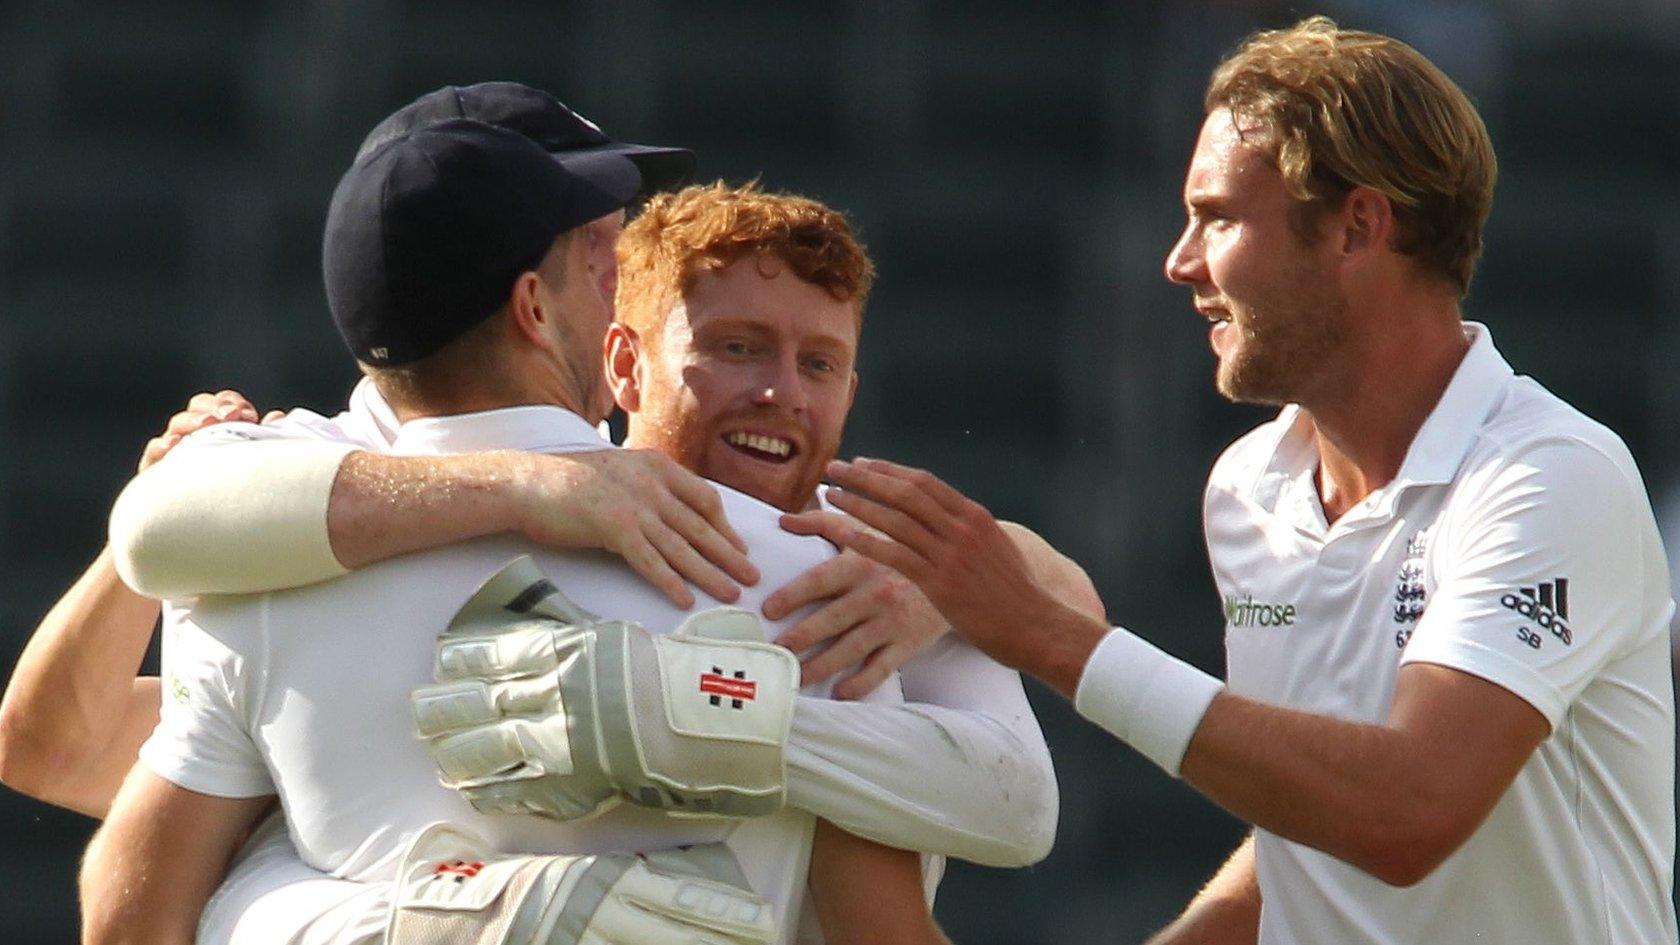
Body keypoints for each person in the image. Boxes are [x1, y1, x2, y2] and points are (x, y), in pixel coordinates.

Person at [782, 16, 1678, 945]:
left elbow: (1405, 812)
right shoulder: (1247, 487)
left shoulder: (1551, 476)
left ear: (1357, 227)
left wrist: (1053, 636)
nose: (1180, 261)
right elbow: (1310, 824)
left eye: (1216, 217)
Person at [75, 119, 935, 945]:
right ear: (532, 305)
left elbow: (129, 918)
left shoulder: (255, 585)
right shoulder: (806, 579)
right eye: (591, 259)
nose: (614, 273)